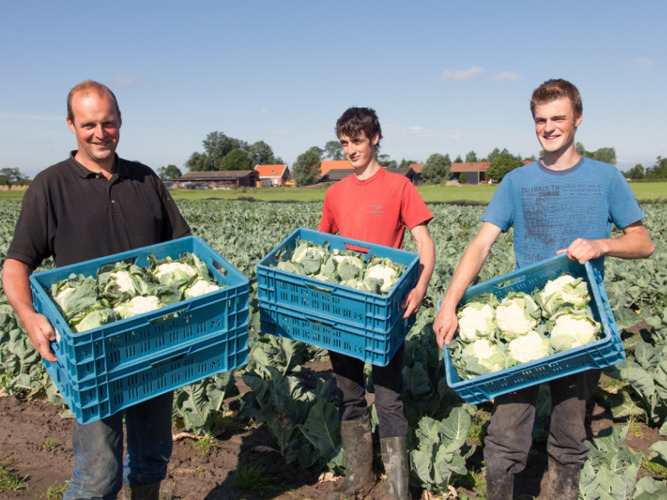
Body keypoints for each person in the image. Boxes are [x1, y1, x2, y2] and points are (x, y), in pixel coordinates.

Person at [433, 79, 654, 500]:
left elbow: (643, 242)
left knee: (571, 428)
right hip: (523, 325)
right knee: (506, 429)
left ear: (578, 119)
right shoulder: (516, 182)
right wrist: (448, 304)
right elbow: (480, 244)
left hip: (581, 323)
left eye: (558, 118)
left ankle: (561, 491)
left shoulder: (606, 178)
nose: (549, 127)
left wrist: (602, 244)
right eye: (541, 120)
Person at [2, 80, 191, 500]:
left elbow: (183, 249)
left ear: (120, 121)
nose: (100, 133)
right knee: (99, 473)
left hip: (153, 338)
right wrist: (29, 316)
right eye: (89, 124)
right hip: (91, 350)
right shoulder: (50, 186)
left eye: (108, 122)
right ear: (71, 125)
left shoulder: (145, 179)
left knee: (152, 457)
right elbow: (16, 263)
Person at [318, 107, 435, 500]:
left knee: (388, 395)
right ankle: (358, 479)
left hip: (385, 309)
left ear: (375, 139)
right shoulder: (335, 193)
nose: (351, 149)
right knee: (349, 393)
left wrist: (419, 287)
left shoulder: (399, 186)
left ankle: (399, 489)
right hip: (344, 309)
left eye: (358, 141)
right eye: (345, 143)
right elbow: (321, 247)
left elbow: (424, 244)